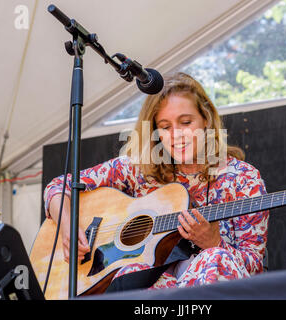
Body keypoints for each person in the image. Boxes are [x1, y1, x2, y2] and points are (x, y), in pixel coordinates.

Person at [43, 72, 269, 291]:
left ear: (206, 119)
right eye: (165, 127)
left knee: (214, 258)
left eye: (186, 122)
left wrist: (213, 243)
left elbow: (254, 268)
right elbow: (58, 187)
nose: (176, 135)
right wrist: (69, 228)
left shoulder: (243, 179)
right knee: (130, 273)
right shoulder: (138, 169)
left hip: (212, 286)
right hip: (162, 290)